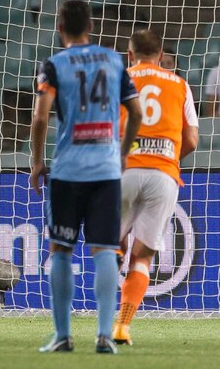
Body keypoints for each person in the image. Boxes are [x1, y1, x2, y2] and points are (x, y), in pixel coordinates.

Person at [30, 0, 142, 354]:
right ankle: (104, 336)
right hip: (107, 170)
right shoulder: (113, 60)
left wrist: (36, 162)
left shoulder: (54, 65)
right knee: (105, 251)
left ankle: (62, 335)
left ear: (59, 27)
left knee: (61, 250)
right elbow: (136, 112)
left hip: (68, 171)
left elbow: (39, 119)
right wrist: (122, 153)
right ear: (91, 26)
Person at [112, 30, 199, 345]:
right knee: (143, 258)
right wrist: (166, 158)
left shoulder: (118, 78)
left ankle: (102, 315)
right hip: (163, 175)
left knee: (109, 247)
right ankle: (122, 326)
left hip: (124, 169)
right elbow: (190, 139)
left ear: (130, 54)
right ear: (162, 55)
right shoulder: (180, 84)